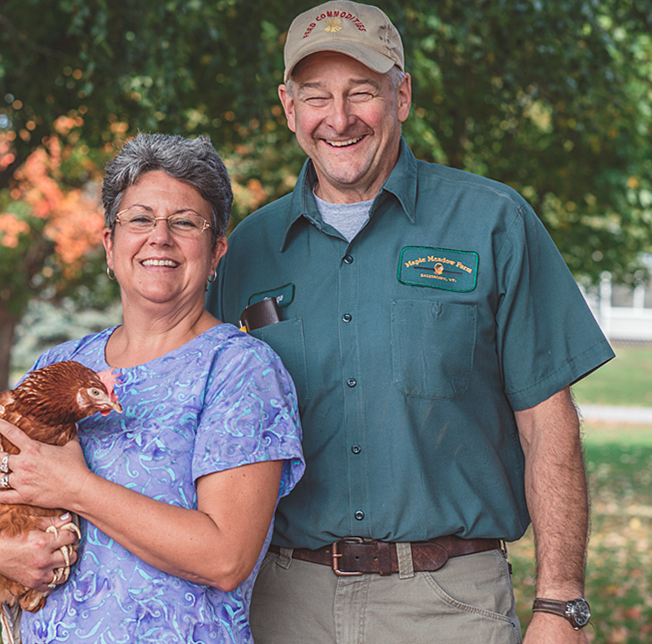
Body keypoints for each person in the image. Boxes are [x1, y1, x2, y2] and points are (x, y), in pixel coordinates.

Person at [205, 2, 614, 642]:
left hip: (449, 604)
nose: (338, 119)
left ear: (402, 95)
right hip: (281, 604)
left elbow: (547, 423)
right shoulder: (246, 250)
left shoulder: (493, 223)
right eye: (316, 97)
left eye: (362, 93)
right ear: (288, 107)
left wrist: (561, 603)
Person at [0, 133, 305, 643]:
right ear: (110, 244)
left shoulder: (240, 370)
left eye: (185, 222)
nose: (160, 238)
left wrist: (74, 488)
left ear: (216, 252)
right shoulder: (62, 364)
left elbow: (225, 558)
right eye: (140, 219)